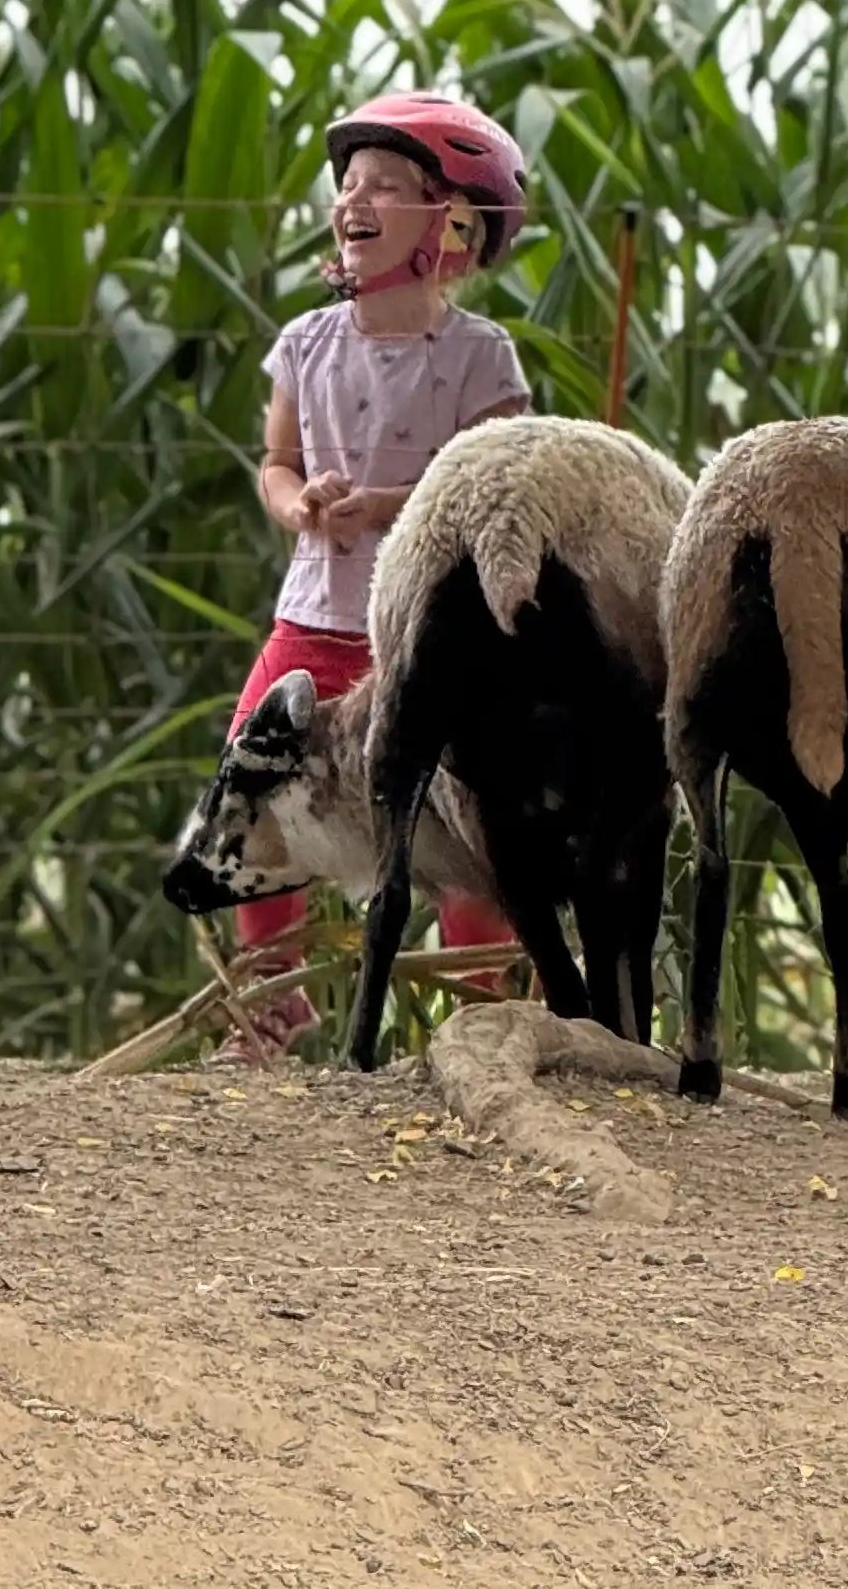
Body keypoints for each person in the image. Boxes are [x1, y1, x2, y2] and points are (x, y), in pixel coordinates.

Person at [217, 91, 536, 1061]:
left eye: (384, 187)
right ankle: (276, 1002)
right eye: (347, 185)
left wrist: (390, 501)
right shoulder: (305, 347)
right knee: (249, 779)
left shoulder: (480, 360)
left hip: (429, 629)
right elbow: (274, 463)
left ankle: (483, 1011)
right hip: (314, 612)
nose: (352, 200)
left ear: (449, 224)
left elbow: (492, 482)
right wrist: (298, 505)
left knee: (471, 810)